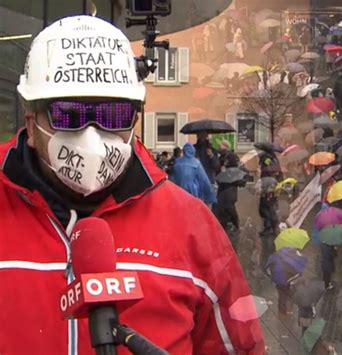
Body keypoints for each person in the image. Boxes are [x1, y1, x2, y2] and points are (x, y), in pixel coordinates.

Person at [2, 16, 264, 354]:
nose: (92, 135)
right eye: (68, 115)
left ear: (135, 119)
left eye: (113, 116)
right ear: (32, 122)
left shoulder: (192, 227)